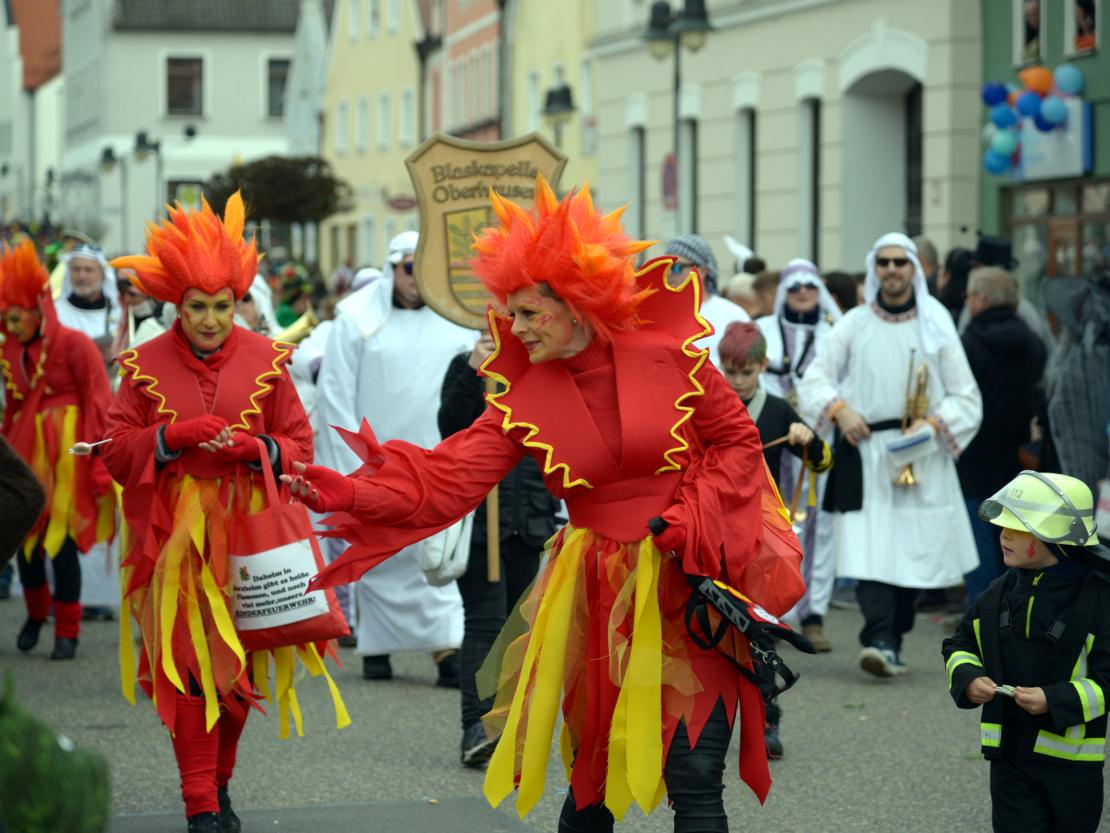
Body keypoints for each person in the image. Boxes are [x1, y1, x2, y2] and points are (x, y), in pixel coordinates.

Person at [289, 180, 807, 831]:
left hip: (687, 579)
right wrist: (353, 491)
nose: (517, 328)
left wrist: (693, 516)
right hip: (594, 588)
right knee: (591, 777)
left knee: (697, 773)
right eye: (512, 313)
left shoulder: (670, 359)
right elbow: (450, 477)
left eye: (532, 313)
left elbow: (736, 440)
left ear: (580, 307)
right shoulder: (520, 396)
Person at [104, 193, 348, 833]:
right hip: (177, 540)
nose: (210, 320)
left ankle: (220, 784)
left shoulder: (268, 363)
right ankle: (200, 807)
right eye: (196, 307)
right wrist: (170, 440)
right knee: (190, 669)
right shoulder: (142, 368)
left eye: (222, 305)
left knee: (237, 678)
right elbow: (113, 450)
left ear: (238, 301)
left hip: (250, 534)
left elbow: (299, 442)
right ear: (174, 306)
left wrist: (256, 449)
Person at [798, 232, 982, 678]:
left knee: (911, 552)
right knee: (867, 549)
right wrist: (840, 412)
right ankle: (879, 638)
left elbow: (967, 397)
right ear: (874, 268)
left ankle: (894, 634)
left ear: (914, 269)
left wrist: (934, 424)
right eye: (884, 262)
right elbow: (813, 379)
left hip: (922, 454)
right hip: (867, 453)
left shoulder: (936, 323)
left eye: (901, 262)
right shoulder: (854, 324)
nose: (892, 270)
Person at [314, 231, 469, 684]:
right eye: (407, 267)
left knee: (436, 550)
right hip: (375, 456)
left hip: (437, 454)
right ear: (390, 268)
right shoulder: (355, 320)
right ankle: (377, 646)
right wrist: (348, 464)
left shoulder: (458, 321)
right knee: (379, 551)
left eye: (424, 267)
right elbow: (336, 392)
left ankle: (446, 647)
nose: (415, 278)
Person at [941, 471, 1110, 833]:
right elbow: (959, 644)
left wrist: (1055, 699)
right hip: (1010, 757)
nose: (1004, 534)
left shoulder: (1098, 600)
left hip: (1072, 766)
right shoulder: (998, 593)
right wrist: (969, 679)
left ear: (1058, 537)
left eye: (1019, 528)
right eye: (1003, 525)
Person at [438, 330, 559, 767]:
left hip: (529, 516)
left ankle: (506, 727)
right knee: (485, 621)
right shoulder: (466, 365)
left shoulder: (544, 365)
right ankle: (477, 726)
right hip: (480, 518)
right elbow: (449, 426)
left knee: (516, 629)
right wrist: (475, 369)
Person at [716, 320, 831, 759]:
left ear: (762, 365)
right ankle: (706, 721)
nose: (739, 380)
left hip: (761, 534)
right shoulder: (709, 403)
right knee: (710, 624)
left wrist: (808, 438)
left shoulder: (780, 409)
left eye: (746, 371)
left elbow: (821, 461)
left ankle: (766, 719)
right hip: (714, 528)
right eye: (731, 370)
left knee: (759, 628)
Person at [0, 239, 116, 660]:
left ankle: (68, 632)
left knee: (63, 546)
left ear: (35, 311)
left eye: (15, 319)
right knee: (24, 539)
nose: (10, 328)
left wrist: (97, 462)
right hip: (27, 456)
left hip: (69, 459)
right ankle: (35, 615)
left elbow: (98, 400)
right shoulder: (8, 349)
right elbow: (12, 407)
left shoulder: (76, 345)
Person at [756, 259, 841, 652]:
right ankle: (772, 610)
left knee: (819, 527)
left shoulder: (834, 335)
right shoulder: (764, 331)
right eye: (794, 287)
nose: (802, 293)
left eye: (810, 286)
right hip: (772, 446)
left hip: (816, 442)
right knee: (769, 525)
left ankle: (813, 614)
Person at [959, 268, 1047, 605]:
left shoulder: (968, 343)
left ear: (980, 299)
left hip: (974, 454)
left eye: (969, 296)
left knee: (978, 537)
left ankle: (979, 610)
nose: (966, 302)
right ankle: (1014, 608)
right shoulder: (1034, 342)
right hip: (1018, 455)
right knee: (1013, 534)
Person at [663, 233, 751, 366]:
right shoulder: (658, 314)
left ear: (702, 271)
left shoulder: (733, 315)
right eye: (665, 267)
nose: (668, 273)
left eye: (676, 267)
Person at [54, 243, 120, 366]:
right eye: (76, 269)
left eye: (88, 270)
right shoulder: (55, 311)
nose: (81, 276)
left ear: (103, 274)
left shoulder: (118, 314)